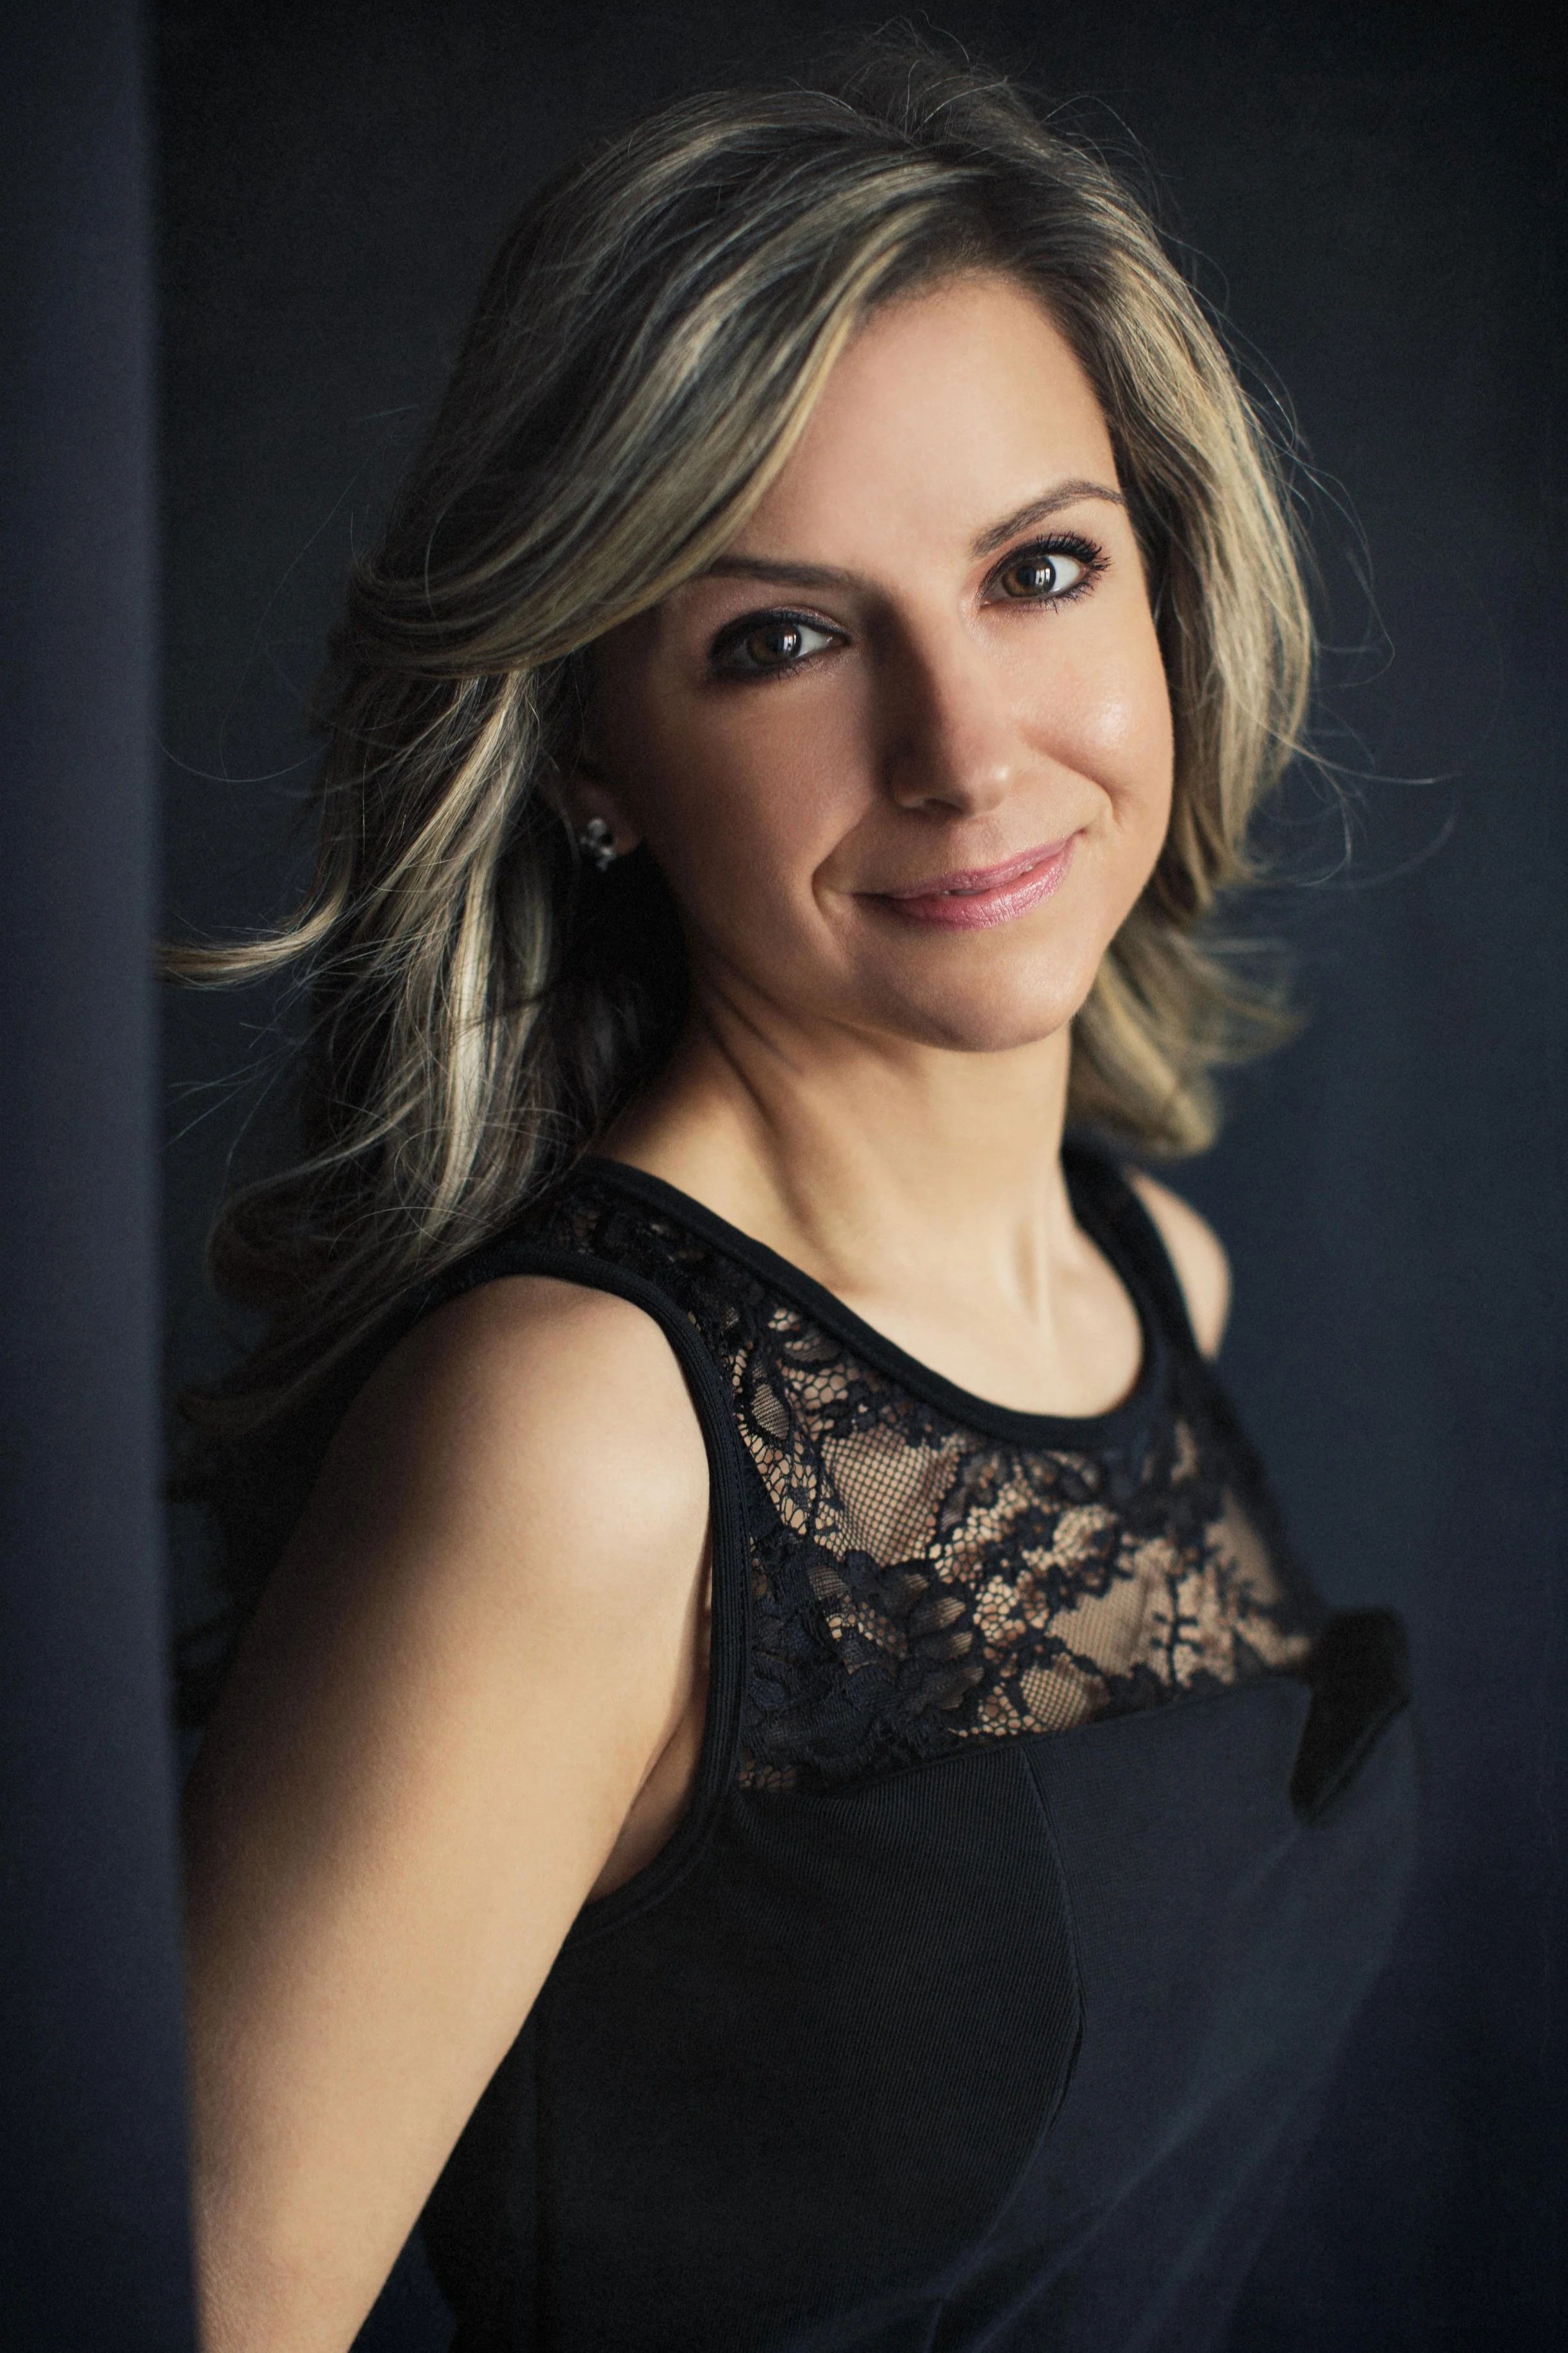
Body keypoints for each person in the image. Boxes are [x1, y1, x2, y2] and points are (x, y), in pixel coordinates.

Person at [169, 33, 1420, 2353]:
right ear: (590, 756)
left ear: (1168, 591)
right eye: (785, 640)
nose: (964, 747)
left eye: (1040, 569)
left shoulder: (1161, 1282)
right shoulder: (581, 1443)